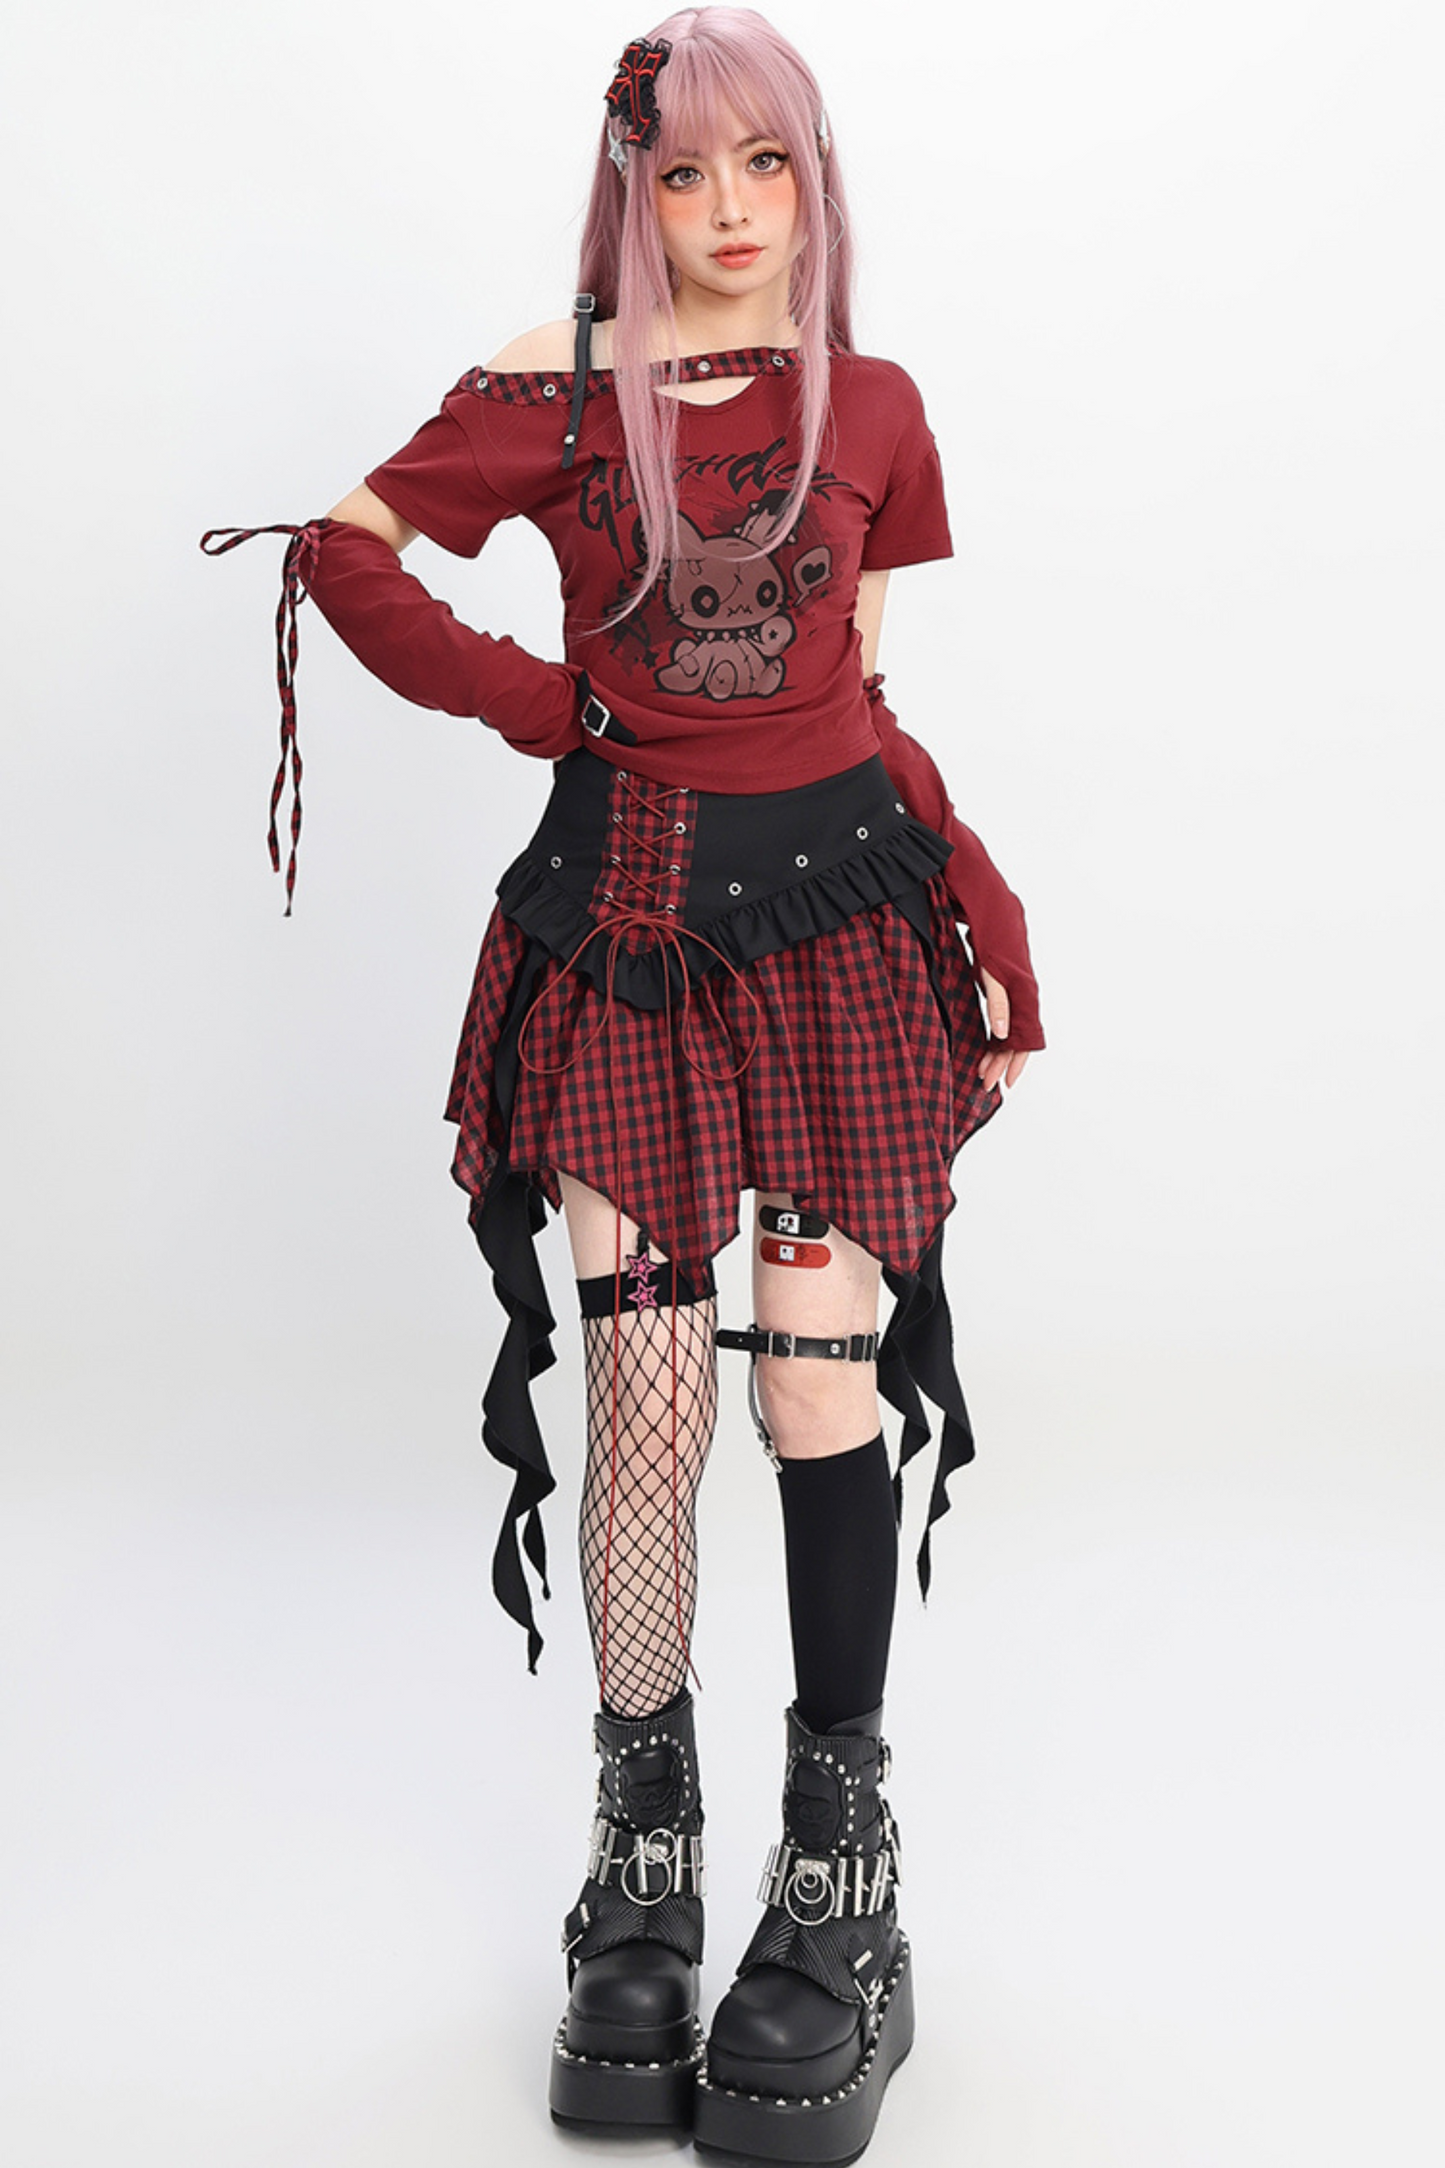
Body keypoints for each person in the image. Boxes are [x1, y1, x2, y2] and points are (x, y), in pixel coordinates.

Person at [202, 9, 1042, 2159]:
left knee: (816, 1395)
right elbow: (345, 546)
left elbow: (860, 696)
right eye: (683, 173)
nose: (728, 211)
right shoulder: (560, 392)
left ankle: (838, 1886)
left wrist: (982, 905)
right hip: (627, 944)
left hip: (837, 947)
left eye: (764, 166)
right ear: (632, 192)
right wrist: (537, 702)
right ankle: (643, 1858)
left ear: (813, 182)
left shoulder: (873, 403)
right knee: (645, 1402)